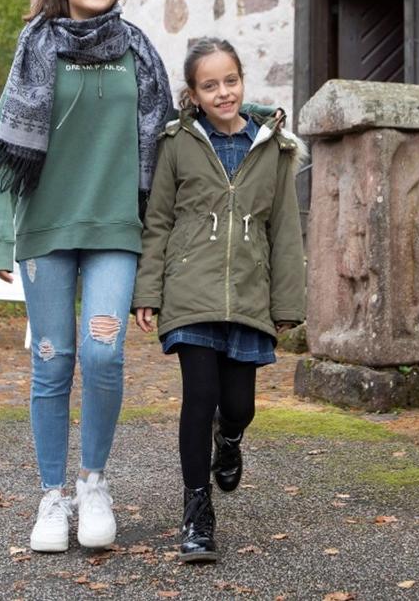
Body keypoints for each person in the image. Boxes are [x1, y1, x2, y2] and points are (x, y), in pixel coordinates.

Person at [0, 0, 172, 553]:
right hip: (45, 229)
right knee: (51, 360)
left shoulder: (138, 51)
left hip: (117, 226)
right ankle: (52, 495)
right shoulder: (34, 47)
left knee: (102, 355)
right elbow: (1, 144)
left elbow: (167, 139)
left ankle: (94, 484)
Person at [133, 38, 306, 563]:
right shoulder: (178, 143)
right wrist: (149, 291)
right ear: (194, 93)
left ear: (241, 82)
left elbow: (286, 230)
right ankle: (197, 515)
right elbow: (159, 220)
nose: (223, 92)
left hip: (249, 294)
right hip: (190, 292)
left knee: (239, 407)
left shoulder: (274, 148)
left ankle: (228, 440)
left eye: (230, 80)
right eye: (210, 85)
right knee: (198, 397)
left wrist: (287, 303)